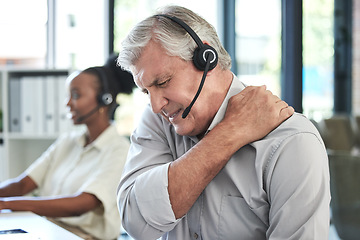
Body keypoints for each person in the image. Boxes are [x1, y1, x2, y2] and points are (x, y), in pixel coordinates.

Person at [116, 5, 331, 240]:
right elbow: (136, 223)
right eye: (146, 92)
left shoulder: (292, 142)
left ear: (206, 59)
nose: (156, 105)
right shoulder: (159, 119)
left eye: (163, 82)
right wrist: (229, 134)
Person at [0, 55, 135, 240]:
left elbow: (82, 204)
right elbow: (23, 184)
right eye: (68, 95)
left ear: (104, 99)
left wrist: (7, 204)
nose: (68, 103)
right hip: (47, 229)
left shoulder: (119, 150)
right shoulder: (67, 142)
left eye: (76, 95)